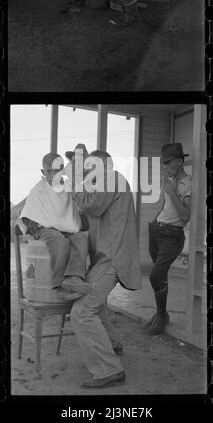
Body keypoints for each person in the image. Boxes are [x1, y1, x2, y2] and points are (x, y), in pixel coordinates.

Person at [66, 148, 142, 388]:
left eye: (92, 167)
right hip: (106, 257)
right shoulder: (104, 185)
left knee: (82, 312)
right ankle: (114, 344)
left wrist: (76, 182)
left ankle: (109, 369)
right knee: (96, 306)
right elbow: (87, 214)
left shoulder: (113, 178)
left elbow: (91, 206)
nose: (89, 171)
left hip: (113, 258)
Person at [17, 152, 91, 297]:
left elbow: (74, 210)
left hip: (66, 227)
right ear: (43, 171)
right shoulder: (38, 190)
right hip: (43, 228)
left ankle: (74, 277)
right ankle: (60, 285)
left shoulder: (68, 187)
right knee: (59, 241)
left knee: (81, 238)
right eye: (49, 171)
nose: (53, 174)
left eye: (57, 170)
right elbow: (31, 215)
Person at [143, 143, 192, 335]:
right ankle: (160, 315)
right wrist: (154, 222)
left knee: (155, 275)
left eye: (168, 162)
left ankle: (162, 316)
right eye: (163, 163)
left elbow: (186, 216)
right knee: (160, 276)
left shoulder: (188, 183)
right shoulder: (169, 181)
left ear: (179, 161)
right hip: (157, 230)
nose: (164, 166)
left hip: (173, 236)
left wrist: (172, 192)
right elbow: (165, 206)